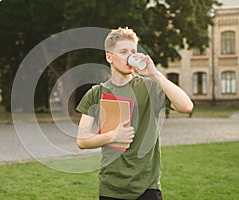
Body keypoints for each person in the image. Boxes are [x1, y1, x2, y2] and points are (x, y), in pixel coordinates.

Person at [76, 27, 193, 200]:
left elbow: (186, 106)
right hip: (111, 188)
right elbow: (82, 141)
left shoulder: (150, 87)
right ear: (109, 57)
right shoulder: (96, 93)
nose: (130, 56)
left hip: (147, 187)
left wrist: (155, 74)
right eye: (123, 52)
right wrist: (112, 136)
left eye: (133, 51)